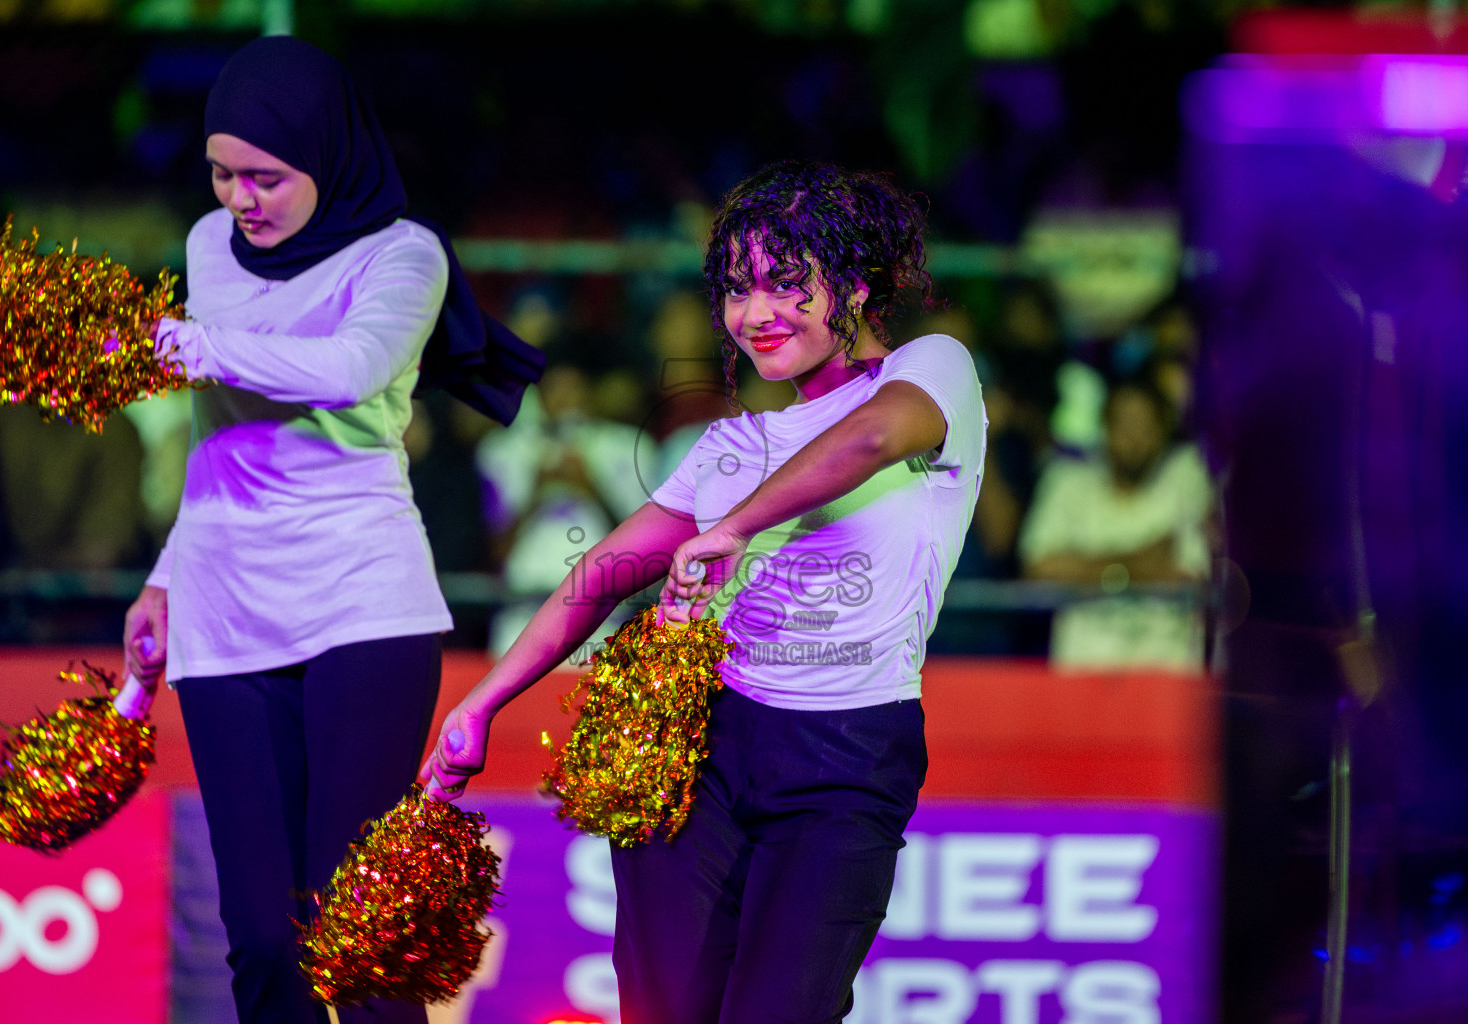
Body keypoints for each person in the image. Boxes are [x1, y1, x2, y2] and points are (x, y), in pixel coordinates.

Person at [424, 160, 985, 1022]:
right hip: (705, 749)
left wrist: (737, 525)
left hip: (846, 763)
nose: (756, 313)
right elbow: (603, 572)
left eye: (788, 285)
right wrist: (485, 701)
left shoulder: (930, 371)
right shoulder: (729, 444)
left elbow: (870, 439)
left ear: (859, 288)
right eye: (736, 289)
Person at [119, 36, 540, 1024]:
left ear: (330, 154)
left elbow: (348, 368)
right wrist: (167, 577)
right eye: (221, 174)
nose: (240, 199)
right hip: (224, 611)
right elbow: (217, 437)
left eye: (266, 176)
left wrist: (184, 343)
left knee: (359, 938)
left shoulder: (404, 253)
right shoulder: (206, 246)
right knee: (264, 942)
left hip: (363, 603)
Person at [1019, 375, 1211, 669]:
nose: (1133, 436)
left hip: (1167, 677)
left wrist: (1083, 567)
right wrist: (1135, 565)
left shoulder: (1189, 476)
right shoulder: (1068, 481)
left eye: (1144, 425)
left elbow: (1190, 577)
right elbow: (1039, 570)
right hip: (1082, 675)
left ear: (1164, 430)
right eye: (1123, 424)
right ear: (1104, 426)